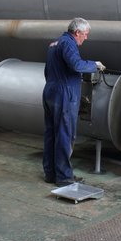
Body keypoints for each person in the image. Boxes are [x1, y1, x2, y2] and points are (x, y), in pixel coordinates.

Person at [43, 18, 105, 186]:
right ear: (77, 32)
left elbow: (47, 71)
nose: (85, 38)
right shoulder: (68, 44)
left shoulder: (54, 44)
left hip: (50, 91)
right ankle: (63, 177)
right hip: (64, 94)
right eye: (85, 35)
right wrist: (95, 65)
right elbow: (76, 65)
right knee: (65, 134)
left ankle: (51, 173)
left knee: (51, 134)